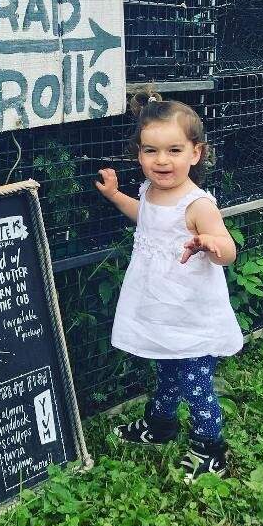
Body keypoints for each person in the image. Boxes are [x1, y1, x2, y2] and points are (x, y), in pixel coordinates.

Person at [95, 88, 243, 480]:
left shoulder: (197, 205)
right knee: (167, 371)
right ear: (139, 153)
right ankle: (160, 426)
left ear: (196, 153)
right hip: (161, 307)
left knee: (195, 383)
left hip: (191, 313)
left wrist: (213, 244)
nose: (162, 161)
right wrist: (115, 196)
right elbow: (143, 216)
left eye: (174, 151)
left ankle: (210, 449)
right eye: (150, 151)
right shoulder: (150, 192)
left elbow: (228, 249)